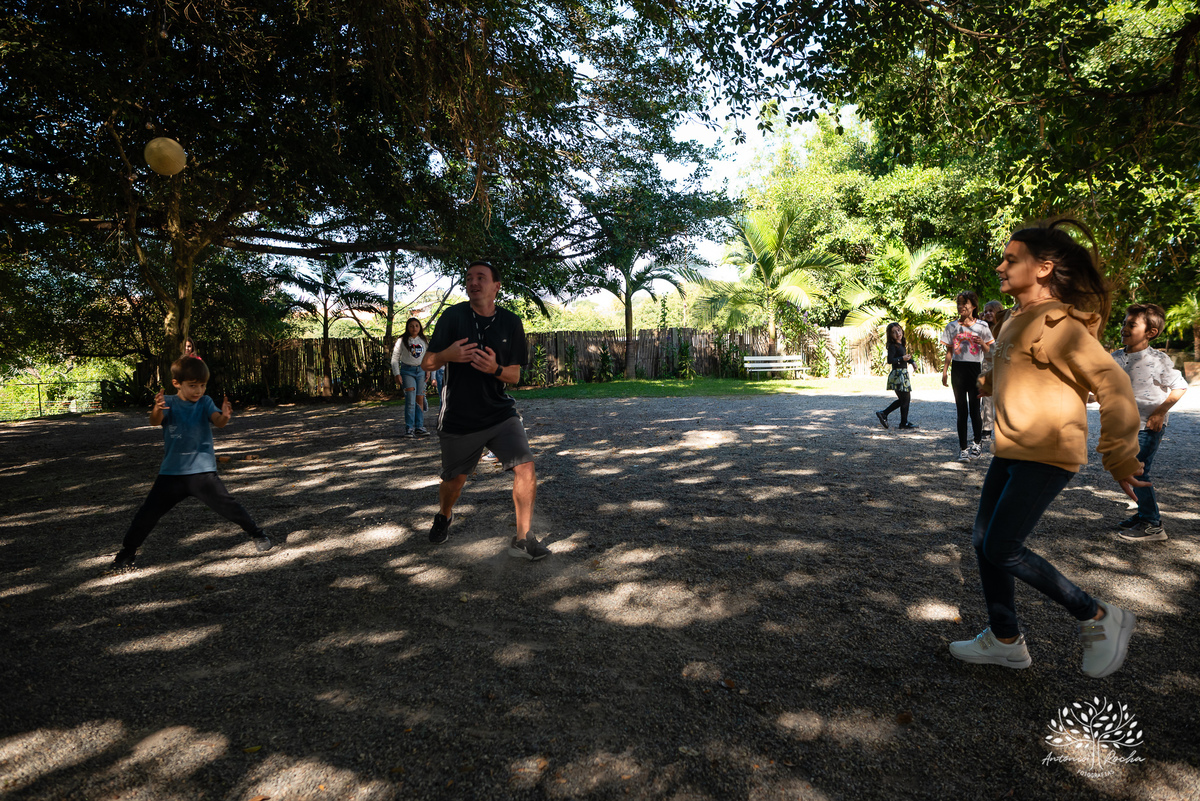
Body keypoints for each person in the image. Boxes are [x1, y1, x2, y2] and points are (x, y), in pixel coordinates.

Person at [949, 219, 1144, 679]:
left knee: (1002, 546)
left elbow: (1113, 383)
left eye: (1011, 259)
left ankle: (1098, 616)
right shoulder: (1017, 318)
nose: (1000, 266)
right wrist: (985, 381)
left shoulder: (1063, 325)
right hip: (1012, 449)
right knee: (983, 542)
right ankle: (1005, 639)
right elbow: (1012, 368)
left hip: (1048, 452)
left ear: (1044, 268)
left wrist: (1118, 453)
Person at [420, 260, 549, 560]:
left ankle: (523, 538)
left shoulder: (510, 322)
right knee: (455, 482)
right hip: (460, 417)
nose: (473, 282)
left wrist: (495, 368)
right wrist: (447, 354)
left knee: (525, 466)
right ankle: (444, 515)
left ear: (496, 287)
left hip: (499, 413)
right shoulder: (453, 317)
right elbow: (427, 363)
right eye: (468, 278)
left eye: (481, 277)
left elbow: (515, 375)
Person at [112, 356, 272, 568]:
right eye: (193, 386)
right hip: (172, 473)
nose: (198, 390)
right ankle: (127, 552)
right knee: (147, 513)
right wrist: (158, 407)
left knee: (229, 506)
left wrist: (225, 416)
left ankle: (257, 534)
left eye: (203, 385)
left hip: (202, 472)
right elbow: (154, 421)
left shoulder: (205, 402)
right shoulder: (167, 402)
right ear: (177, 383)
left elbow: (219, 422)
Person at [1111, 303, 1188, 542]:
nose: (1124, 327)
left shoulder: (1157, 359)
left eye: (1132, 324)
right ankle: (1144, 514)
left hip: (1147, 427)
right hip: (1122, 428)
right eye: (1124, 322)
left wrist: (1160, 412)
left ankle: (1153, 524)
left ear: (1151, 332)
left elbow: (1180, 386)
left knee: (1138, 472)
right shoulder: (1115, 357)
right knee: (1126, 472)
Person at [940, 290, 994, 461]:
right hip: (958, 369)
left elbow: (989, 352)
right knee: (961, 410)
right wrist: (945, 371)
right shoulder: (951, 326)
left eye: (965, 303)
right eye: (959, 303)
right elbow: (949, 351)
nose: (961, 306)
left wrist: (983, 344)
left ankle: (977, 444)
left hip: (974, 369)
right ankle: (963, 448)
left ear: (974, 306)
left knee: (974, 410)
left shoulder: (982, 326)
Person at [391, 317, 431, 438]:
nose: (414, 328)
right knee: (410, 399)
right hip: (407, 371)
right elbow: (395, 358)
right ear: (407, 328)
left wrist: (428, 370)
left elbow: (427, 357)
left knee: (420, 398)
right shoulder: (402, 341)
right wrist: (396, 374)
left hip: (421, 371)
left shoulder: (423, 340)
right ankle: (409, 428)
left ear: (420, 327)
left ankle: (419, 426)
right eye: (411, 326)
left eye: (416, 326)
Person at [875, 322, 917, 430]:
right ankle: (887, 414)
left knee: (904, 399)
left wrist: (911, 361)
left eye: (898, 330)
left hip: (902, 373)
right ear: (890, 336)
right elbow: (890, 360)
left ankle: (901, 421)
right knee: (905, 399)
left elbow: (903, 356)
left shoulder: (901, 345)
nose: (897, 333)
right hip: (898, 374)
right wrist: (902, 359)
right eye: (894, 332)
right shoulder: (893, 346)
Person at [978, 300, 1004, 442]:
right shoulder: (983, 328)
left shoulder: (1005, 326)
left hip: (1003, 364)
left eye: (991, 311)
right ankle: (986, 428)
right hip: (987, 364)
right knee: (986, 398)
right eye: (986, 311)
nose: (988, 313)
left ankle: (1003, 427)